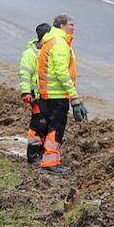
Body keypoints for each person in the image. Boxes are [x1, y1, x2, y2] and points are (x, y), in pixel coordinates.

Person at [36, 14, 89, 175]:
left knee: (53, 128)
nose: (73, 28)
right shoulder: (59, 44)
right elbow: (61, 72)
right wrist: (74, 96)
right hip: (57, 95)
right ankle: (50, 163)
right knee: (56, 129)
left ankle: (52, 160)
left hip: (49, 94)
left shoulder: (52, 41)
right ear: (61, 26)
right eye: (71, 25)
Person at [19, 23, 52, 164]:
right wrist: (26, 93)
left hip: (49, 96)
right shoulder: (30, 54)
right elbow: (25, 74)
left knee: (48, 125)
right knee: (38, 126)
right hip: (37, 97)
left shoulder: (50, 52)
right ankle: (33, 155)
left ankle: (44, 153)